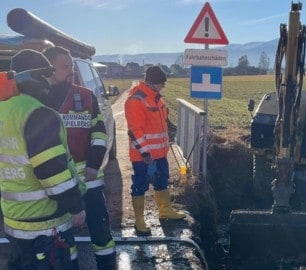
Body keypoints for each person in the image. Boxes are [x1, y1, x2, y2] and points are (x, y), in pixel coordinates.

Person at [0, 49, 86, 269]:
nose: (50, 83)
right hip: (46, 226)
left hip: (14, 222)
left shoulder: (4, 110)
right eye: (48, 76)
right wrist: (76, 207)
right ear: (36, 77)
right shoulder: (37, 114)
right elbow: (53, 175)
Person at [42, 46, 116, 270]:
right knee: (64, 235)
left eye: (72, 66)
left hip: (90, 181)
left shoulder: (86, 96)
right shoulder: (40, 100)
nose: (71, 70)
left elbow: (100, 134)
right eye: (65, 67)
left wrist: (94, 165)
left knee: (101, 231)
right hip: (59, 185)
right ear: (49, 69)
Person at [124, 65, 185, 236]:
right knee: (140, 185)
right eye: (162, 83)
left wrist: (173, 129)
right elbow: (135, 131)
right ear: (154, 83)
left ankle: (165, 211)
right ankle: (139, 220)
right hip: (144, 157)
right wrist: (146, 155)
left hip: (160, 154)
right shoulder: (136, 101)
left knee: (162, 181)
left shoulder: (158, 99)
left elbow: (164, 121)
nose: (164, 86)